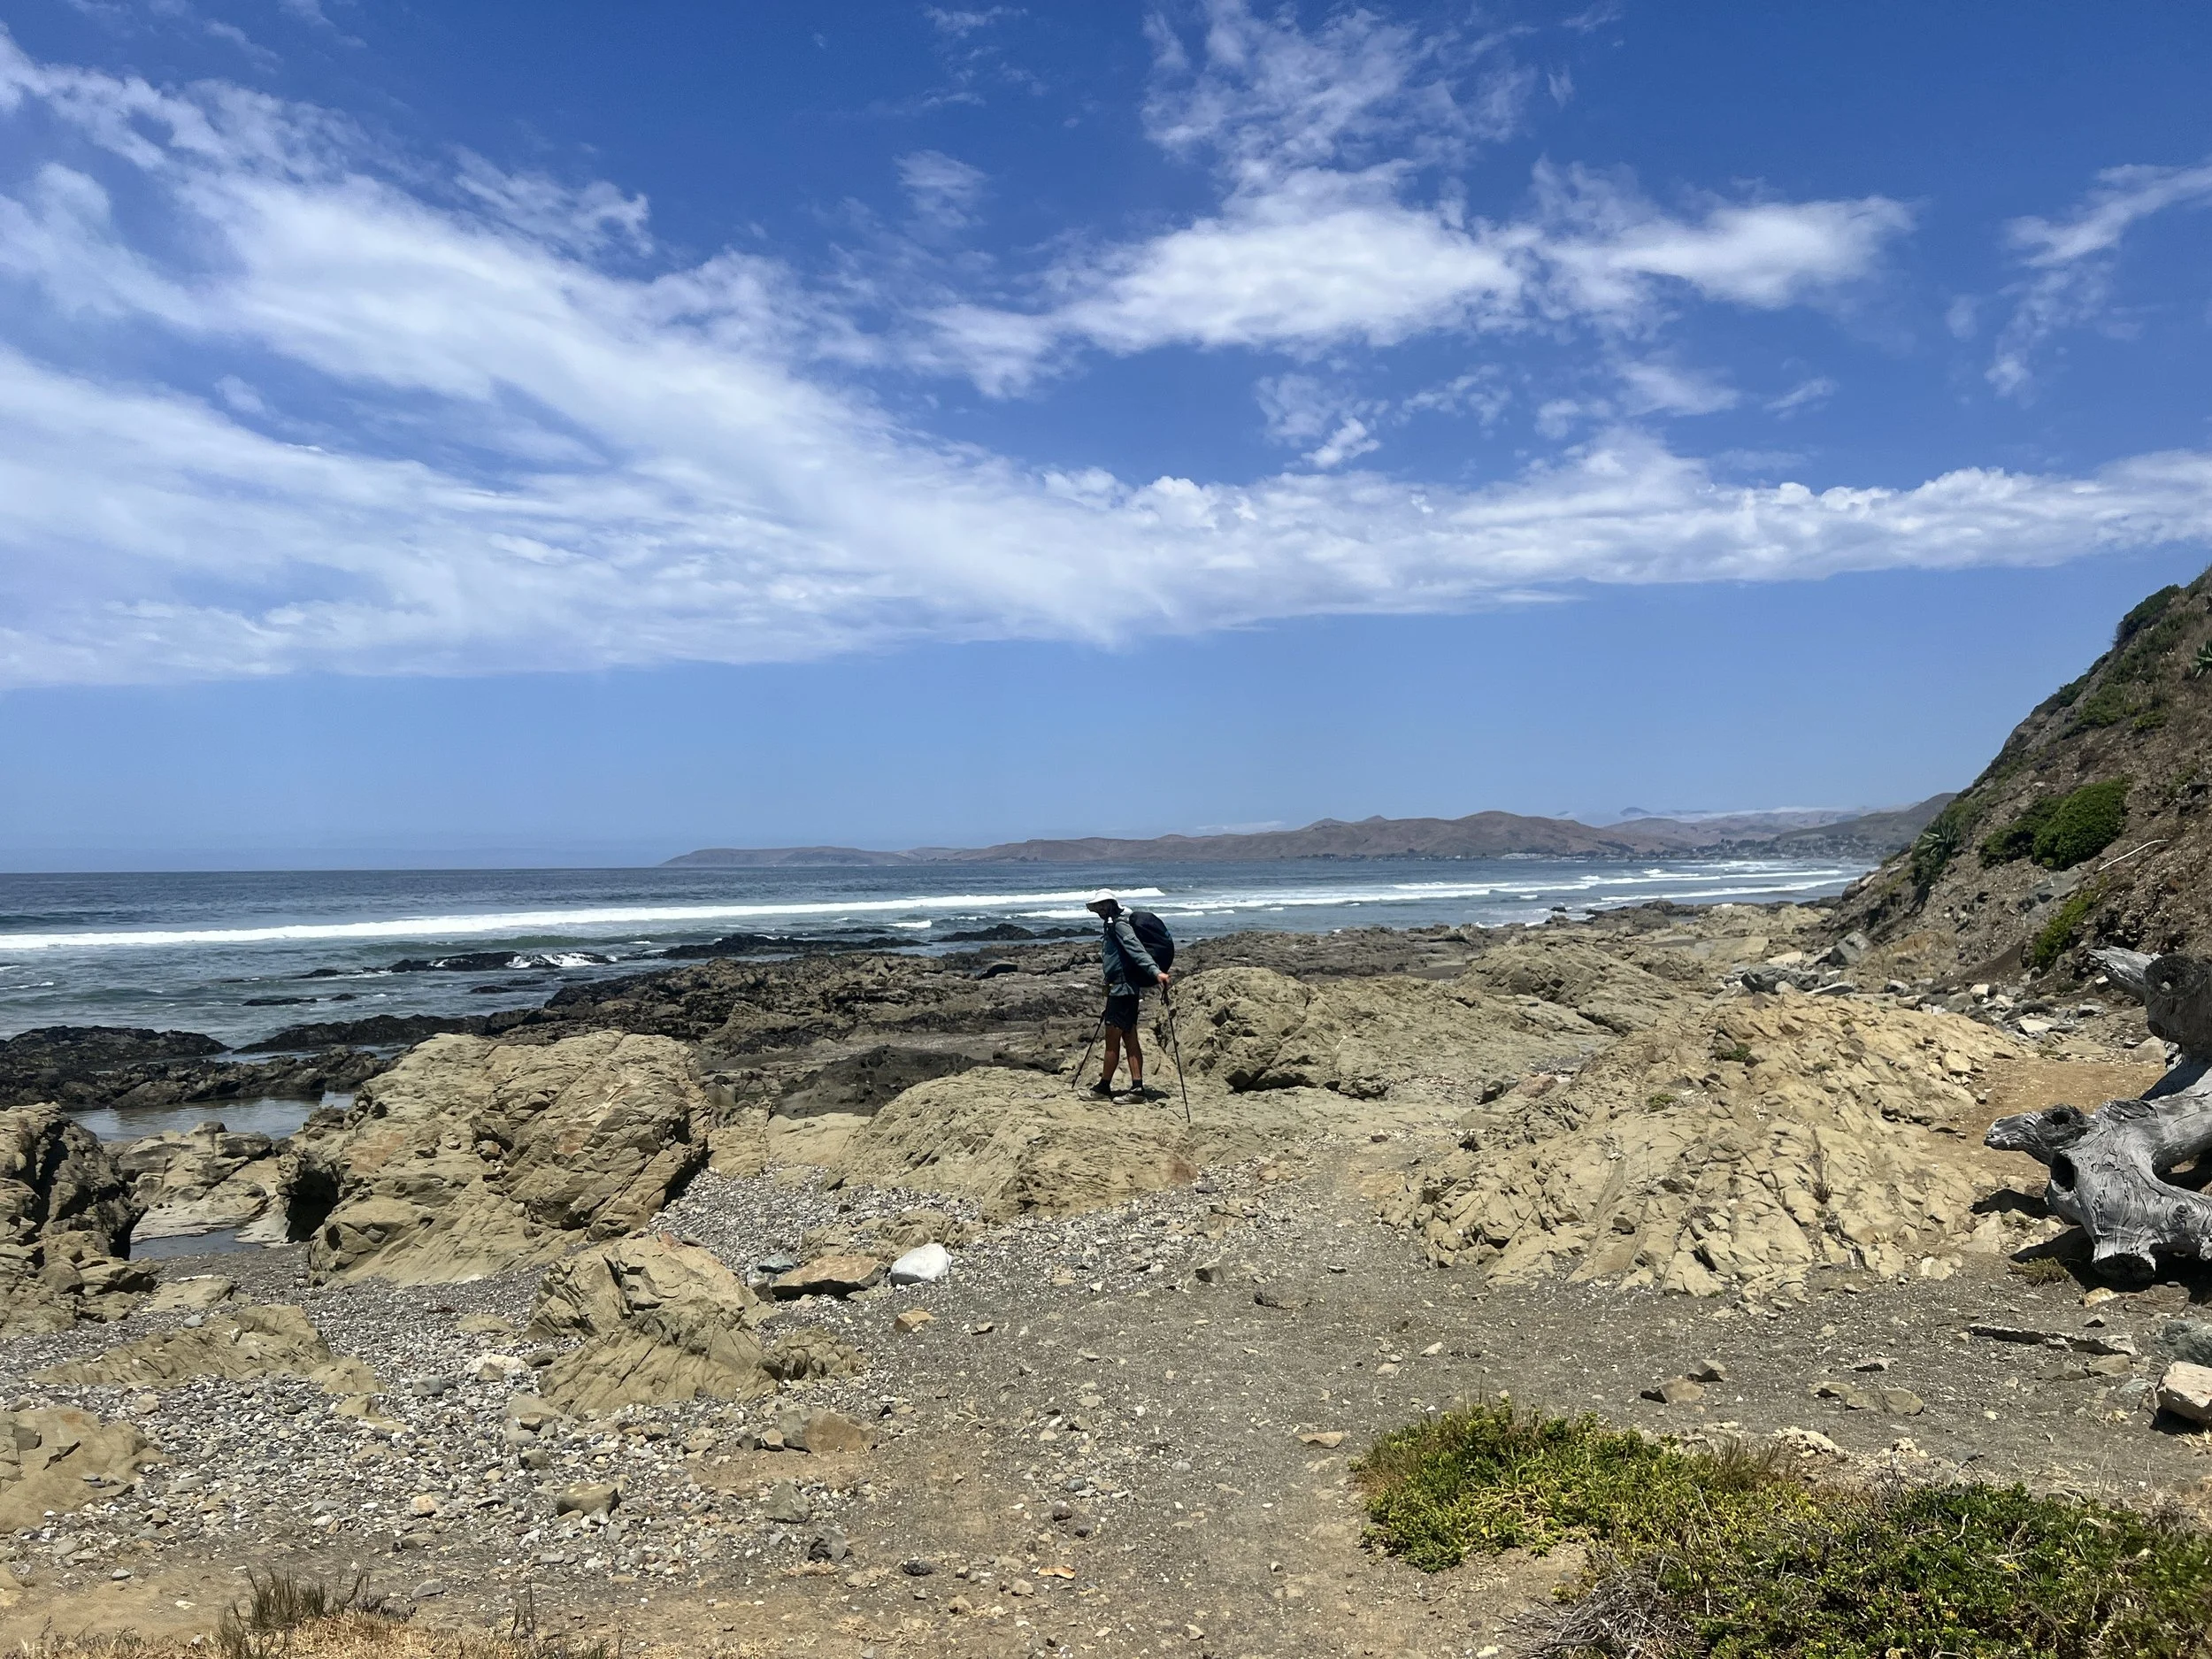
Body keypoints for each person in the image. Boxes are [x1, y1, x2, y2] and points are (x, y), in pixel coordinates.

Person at [1085, 892, 1169, 1098]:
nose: (1101, 910)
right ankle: (1137, 1088)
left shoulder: (1119, 925)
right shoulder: (1111, 925)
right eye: (1098, 906)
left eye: (1104, 905)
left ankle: (1104, 1088)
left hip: (1122, 990)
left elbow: (1136, 949)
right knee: (1130, 1036)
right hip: (1123, 989)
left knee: (1112, 1039)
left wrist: (1155, 971)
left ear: (1113, 905)